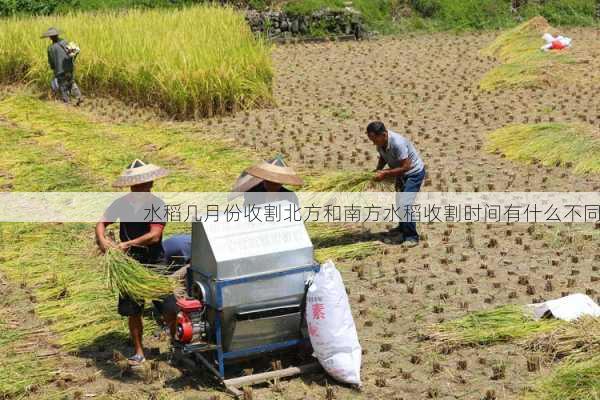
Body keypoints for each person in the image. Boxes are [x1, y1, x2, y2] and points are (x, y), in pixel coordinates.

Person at [95, 159, 178, 366]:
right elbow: (102, 222)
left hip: (154, 262)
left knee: (168, 307)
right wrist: (102, 241)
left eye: (145, 185)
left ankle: (176, 344)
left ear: (150, 184)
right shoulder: (122, 203)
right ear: (131, 186)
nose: (141, 188)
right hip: (129, 263)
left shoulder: (157, 204)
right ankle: (139, 351)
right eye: (137, 186)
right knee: (133, 311)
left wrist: (127, 243)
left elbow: (155, 236)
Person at [366, 121, 426, 247]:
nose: (373, 143)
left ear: (383, 134)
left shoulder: (397, 143)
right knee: (399, 202)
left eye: (374, 139)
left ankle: (412, 237)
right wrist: (378, 169)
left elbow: (406, 166)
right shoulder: (380, 143)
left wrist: (385, 174)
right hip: (400, 173)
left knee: (405, 204)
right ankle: (403, 227)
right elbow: (383, 157)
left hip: (413, 173)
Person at [229, 156, 302, 207]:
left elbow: (293, 217)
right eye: (269, 181)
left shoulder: (290, 196)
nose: (272, 185)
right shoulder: (253, 193)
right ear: (264, 180)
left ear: (281, 182)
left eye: (276, 183)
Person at [41, 27, 81, 105]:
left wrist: (53, 68)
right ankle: (78, 97)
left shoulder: (50, 48)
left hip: (60, 71)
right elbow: (73, 52)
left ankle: (67, 102)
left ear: (50, 37)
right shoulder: (65, 42)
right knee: (71, 82)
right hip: (69, 67)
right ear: (57, 35)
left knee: (63, 86)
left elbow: (51, 62)